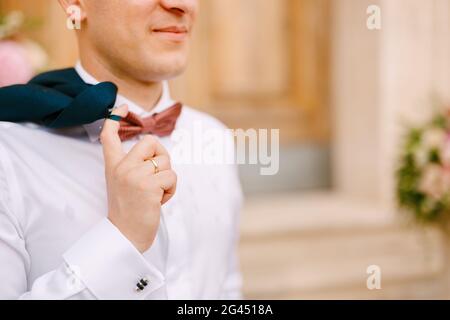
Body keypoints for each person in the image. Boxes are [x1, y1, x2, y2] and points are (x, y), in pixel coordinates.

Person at [0, 0, 243, 299]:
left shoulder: (213, 137)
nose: (179, 4)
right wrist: (121, 239)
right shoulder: (9, 155)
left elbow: (227, 288)